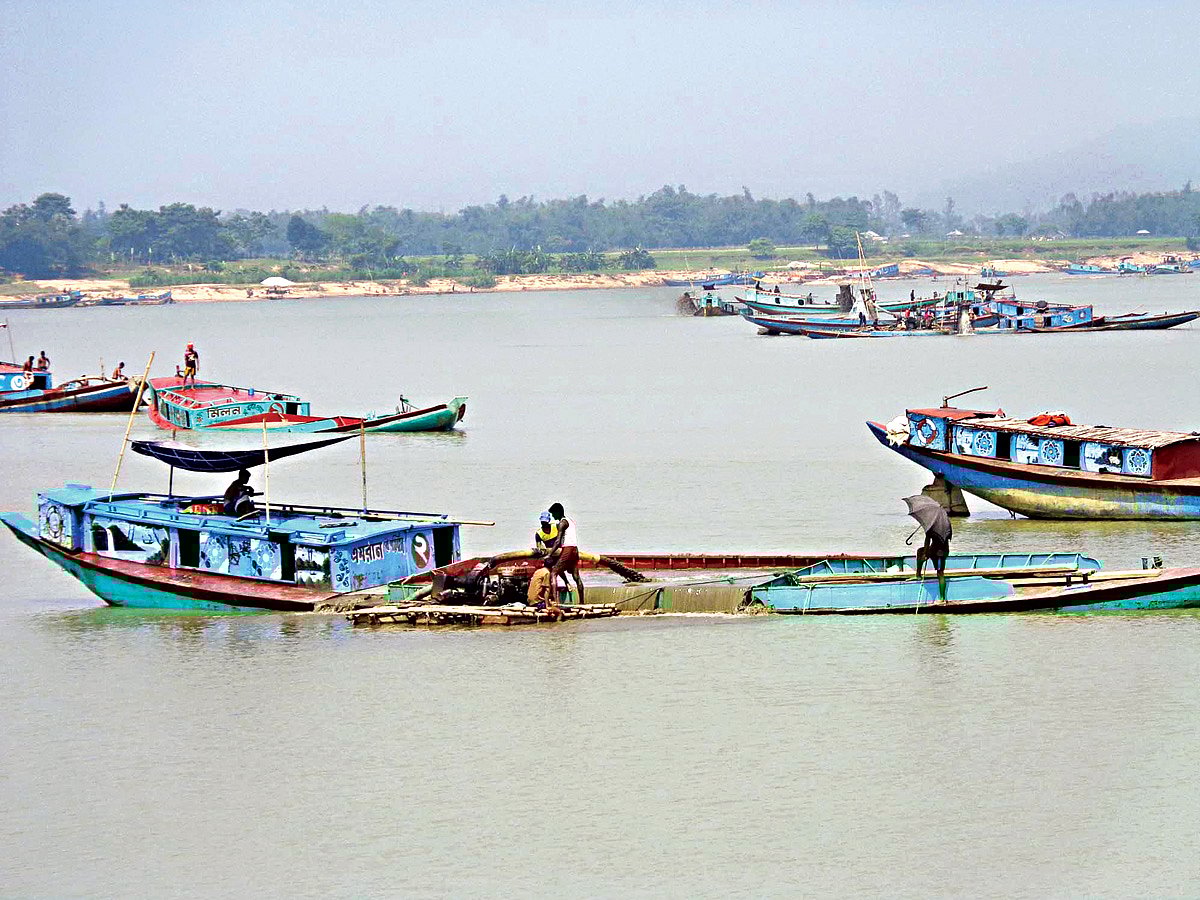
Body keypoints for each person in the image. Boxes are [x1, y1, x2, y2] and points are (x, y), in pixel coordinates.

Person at [547, 502, 585, 605]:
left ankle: (555, 603)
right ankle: (582, 603)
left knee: (554, 572)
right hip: (575, 549)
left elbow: (558, 541)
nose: (553, 516)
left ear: (558, 512)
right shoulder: (570, 521)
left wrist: (549, 554)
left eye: (554, 513)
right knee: (576, 576)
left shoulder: (562, 523)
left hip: (567, 549)